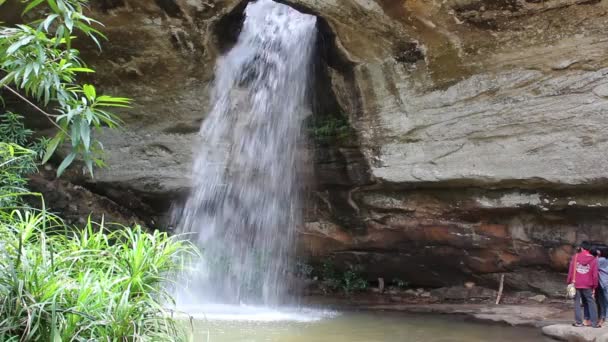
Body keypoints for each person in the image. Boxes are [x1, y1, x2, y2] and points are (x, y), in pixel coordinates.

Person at [567, 241, 600, 328]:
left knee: (577, 303)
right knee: (591, 302)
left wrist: (569, 281)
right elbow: (595, 275)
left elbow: (571, 271)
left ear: (581, 248)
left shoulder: (575, 257)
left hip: (576, 283)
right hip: (588, 284)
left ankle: (578, 322)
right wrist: (595, 286)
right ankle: (594, 323)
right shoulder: (593, 259)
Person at [597, 246, 608, 326]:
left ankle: (604, 318)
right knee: (604, 302)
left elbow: (592, 265)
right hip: (603, 283)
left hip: (603, 283)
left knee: (603, 302)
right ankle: (604, 318)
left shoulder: (601, 260)